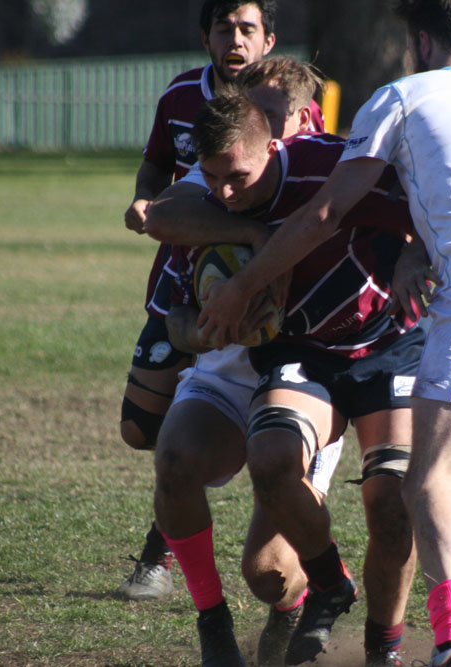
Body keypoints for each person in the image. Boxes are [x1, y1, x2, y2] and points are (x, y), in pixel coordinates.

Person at [193, 1, 451, 666]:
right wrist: (416, 249)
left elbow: (325, 211)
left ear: (421, 41)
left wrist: (240, 286)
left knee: (427, 482)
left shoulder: (402, 95)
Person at [147, 90, 430, 666]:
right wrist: (208, 328)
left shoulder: (330, 168)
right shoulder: (209, 211)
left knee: (391, 501)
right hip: (304, 352)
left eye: (238, 178)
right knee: (270, 457)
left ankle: (383, 650)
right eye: (212, 178)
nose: (226, 193)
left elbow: (429, 201)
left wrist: (416, 251)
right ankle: (328, 583)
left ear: (273, 148)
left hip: (389, 344)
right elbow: (174, 295)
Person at [115, 0, 323, 602]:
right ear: (205, 36)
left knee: (269, 568)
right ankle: (185, 513)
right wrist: (242, 235)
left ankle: (174, 551)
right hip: (186, 281)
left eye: (246, 28)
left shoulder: (313, 148)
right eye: (223, 28)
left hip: (294, 345)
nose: (235, 39)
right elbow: (160, 181)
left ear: (268, 40)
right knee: (144, 431)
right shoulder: (183, 96)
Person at [146, 57, 346, 667]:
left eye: (272, 113)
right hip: (226, 377)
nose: (256, 120)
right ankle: (212, 621)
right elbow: (162, 219)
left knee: (267, 573)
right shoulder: (218, 180)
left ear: (303, 120)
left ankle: (293, 605)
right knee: (172, 460)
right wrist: (206, 325)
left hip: (305, 381)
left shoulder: (329, 174)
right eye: (250, 107)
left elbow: (404, 205)